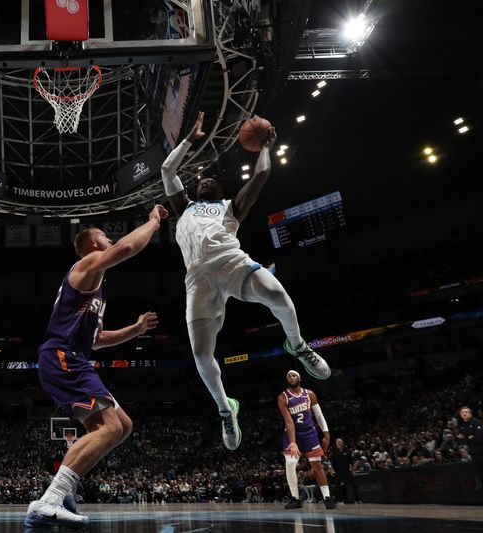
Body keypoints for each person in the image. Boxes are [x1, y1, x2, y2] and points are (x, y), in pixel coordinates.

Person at [160, 111, 331, 450]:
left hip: (232, 265)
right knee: (200, 355)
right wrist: (189, 140)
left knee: (279, 296)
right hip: (198, 282)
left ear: (220, 188)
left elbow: (263, 172)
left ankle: (297, 345)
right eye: (200, 181)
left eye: (210, 180)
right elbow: (167, 169)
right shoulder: (184, 207)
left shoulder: (231, 206)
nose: (204, 180)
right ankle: (226, 409)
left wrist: (266, 145)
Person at [24, 205, 168, 527]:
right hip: (63, 358)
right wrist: (153, 222)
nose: (111, 239)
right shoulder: (86, 265)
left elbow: (97, 339)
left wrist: (136, 328)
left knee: (123, 425)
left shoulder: (95, 286)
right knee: (111, 428)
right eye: (105, 236)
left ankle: (65, 494)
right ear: (92, 245)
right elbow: (126, 248)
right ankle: (49, 499)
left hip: (73, 357)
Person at [278, 370, 335, 509]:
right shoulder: (283, 397)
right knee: (290, 464)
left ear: (299, 378)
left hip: (310, 434)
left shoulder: (309, 394)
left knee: (317, 466)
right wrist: (292, 442)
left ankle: (327, 497)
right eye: (289, 376)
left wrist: (326, 434)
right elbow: (289, 422)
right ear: (287, 380)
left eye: (294, 375)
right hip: (293, 434)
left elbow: (319, 415)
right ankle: (295, 498)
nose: (292, 377)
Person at [456, 405, 483, 490]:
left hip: (481, 451)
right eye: (462, 412)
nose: (464, 414)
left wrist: (465, 438)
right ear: (460, 414)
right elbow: (460, 440)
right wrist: (469, 437)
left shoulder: (477, 422)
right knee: (478, 474)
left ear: (471, 414)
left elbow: (478, 438)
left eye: (466, 412)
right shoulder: (462, 425)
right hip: (473, 453)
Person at [330, 438, 358, 503]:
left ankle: (357, 499)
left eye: (340, 442)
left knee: (353, 484)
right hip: (338, 471)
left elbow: (351, 462)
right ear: (336, 444)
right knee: (337, 486)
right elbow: (332, 463)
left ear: (342, 443)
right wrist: (331, 470)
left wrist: (353, 470)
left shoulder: (347, 451)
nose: (339, 443)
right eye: (337, 442)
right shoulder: (334, 452)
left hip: (346, 471)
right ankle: (339, 500)